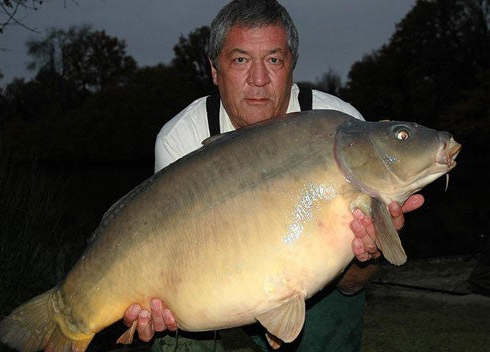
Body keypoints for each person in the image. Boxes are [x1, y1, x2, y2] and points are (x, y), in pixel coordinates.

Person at [123, 0, 424, 351]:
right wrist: (154, 299)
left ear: (291, 67)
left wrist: (367, 254)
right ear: (215, 70)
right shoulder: (181, 139)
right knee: (174, 339)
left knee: (335, 313)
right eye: (240, 60)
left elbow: (352, 284)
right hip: (216, 283)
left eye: (273, 60)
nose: (259, 79)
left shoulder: (341, 124)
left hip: (316, 289)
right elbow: (166, 254)